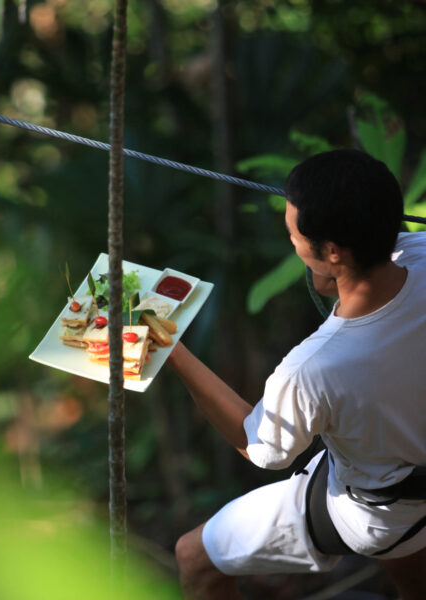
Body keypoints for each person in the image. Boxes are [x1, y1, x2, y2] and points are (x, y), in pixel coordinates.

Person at [167, 149, 426, 599]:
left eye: (293, 233)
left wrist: (171, 349)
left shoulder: (316, 367)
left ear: (330, 251)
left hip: (384, 510)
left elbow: (259, 447)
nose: (290, 241)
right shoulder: (420, 256)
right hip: (410, 477)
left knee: (194, 556)